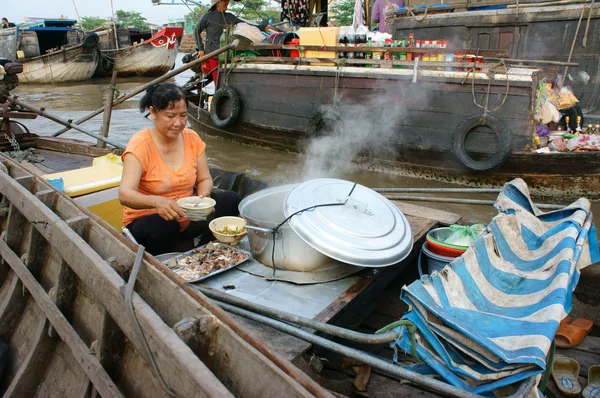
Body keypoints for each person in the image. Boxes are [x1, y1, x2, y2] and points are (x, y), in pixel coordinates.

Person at [119, 83, 241, 255]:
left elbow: (204, 179)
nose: (178, 123)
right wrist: (157, 202)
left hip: (188, 217)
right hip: (148, 223)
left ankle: (205, 252)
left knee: (230, 200)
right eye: (170, 116)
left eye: (183, 115)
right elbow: (124, 194)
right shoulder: (140, 145)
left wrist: (203, 199)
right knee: (164, 224)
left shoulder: (192, 138)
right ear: (153, 112)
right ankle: (166, 262)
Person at [194, 0, 273, 84]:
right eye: (225, 1)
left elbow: (246, 26)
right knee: (218, 81)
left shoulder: (230, 17)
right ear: (218, 3)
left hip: (228, 54)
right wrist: (201, 49)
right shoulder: (208, 16)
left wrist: (264, 27)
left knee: (229, 79)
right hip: (213, 54)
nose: (227, 3)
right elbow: (196, 31)